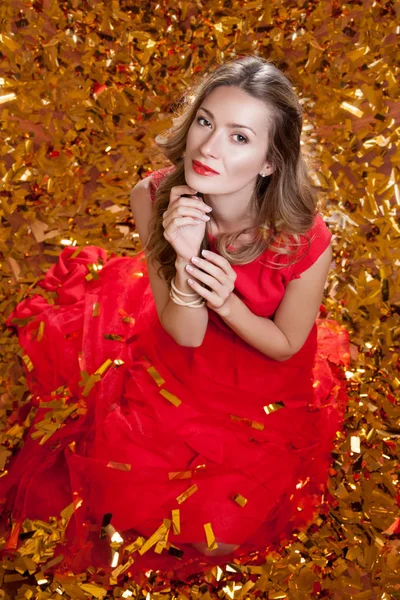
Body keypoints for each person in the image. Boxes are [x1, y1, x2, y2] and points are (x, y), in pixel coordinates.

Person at [0, 56, 350, 578]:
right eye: (206, 122)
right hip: (175, 363)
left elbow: (286, 344)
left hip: (262, 384)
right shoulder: (153, 194)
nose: (208, 147)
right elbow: (184, 333)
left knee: (217, 542)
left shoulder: (303, 238)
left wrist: (227, 300)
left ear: (269, 162)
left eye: (239, 138)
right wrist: (186, 258)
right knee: (120, 505)